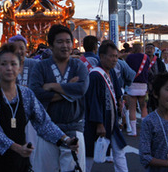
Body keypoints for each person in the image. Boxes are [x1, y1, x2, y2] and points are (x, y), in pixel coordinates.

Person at [0, 43, 79, 171]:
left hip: (21, 160)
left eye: (13, 64)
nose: (9, 68)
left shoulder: (26, 94)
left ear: (20, 68)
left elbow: (43, 123)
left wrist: (65, 139)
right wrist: (17, 148)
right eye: (3, 64)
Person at [29, 24, 89, 171]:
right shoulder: (41, 67)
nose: (65, 45)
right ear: (51, 45)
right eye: (60, 42)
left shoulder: (78, 66)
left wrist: (52, 86)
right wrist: (69, 88)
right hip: (47, 128)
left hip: (74, 127)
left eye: (68, 41)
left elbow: (81, 88)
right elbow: (36, 93)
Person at [84, 41, 128, 172]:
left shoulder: (112, 71)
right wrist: (99, 124)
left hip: (112, 120)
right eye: (111, 56)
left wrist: (120, 102)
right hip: (99, 121)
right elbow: (93, 101)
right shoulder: (95, 75)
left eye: (116, 56)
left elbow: (117, 91)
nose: (115, 59)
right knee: (90, 154)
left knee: (119, 151)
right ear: (102, 57)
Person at [125, 43, 150, 136]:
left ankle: (134, 131)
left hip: (132, 83)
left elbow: (127, 70)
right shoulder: (145, 57)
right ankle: (144, 131)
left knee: (132, 108)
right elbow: (147, 69)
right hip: (143, 84)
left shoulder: (129, 57)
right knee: (144, 107)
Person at [145, 43, 167, 113]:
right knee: (146, 106)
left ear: (154, 50)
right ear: (145, 50)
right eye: (148, 48)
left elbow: (164, 72)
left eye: (151, 48)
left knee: (157, 105)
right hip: (146, 86)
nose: (149, 50)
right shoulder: (143, 60)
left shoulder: (158, 61)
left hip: (156, 86)